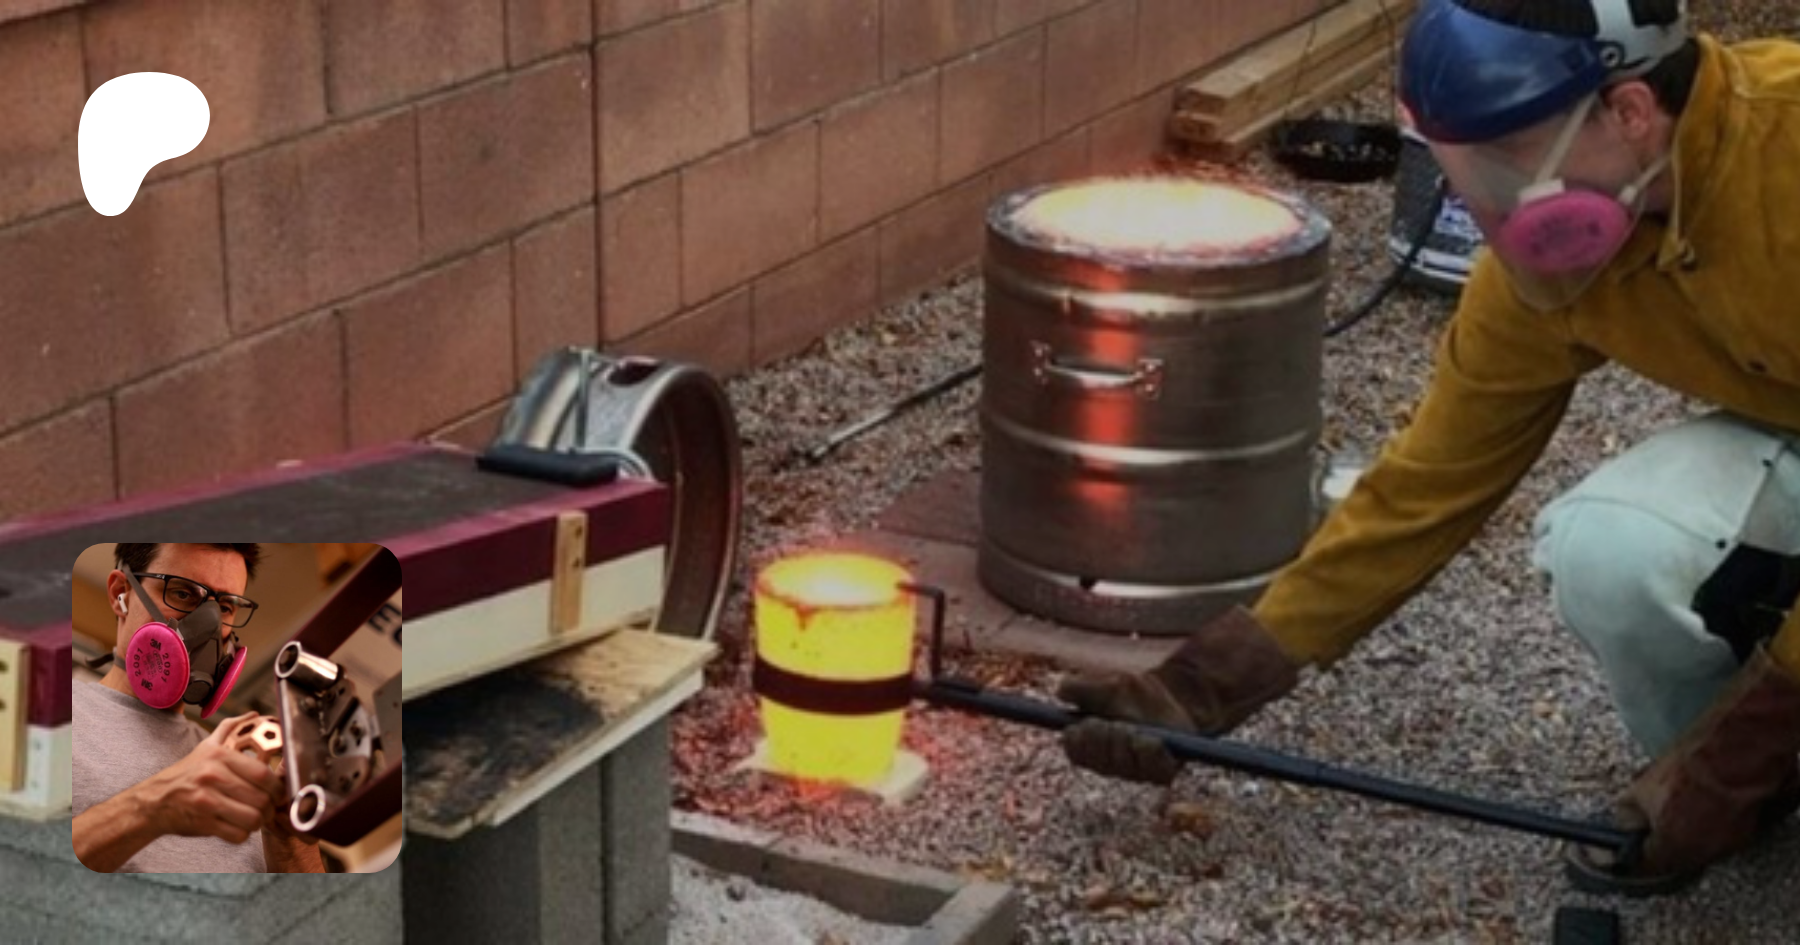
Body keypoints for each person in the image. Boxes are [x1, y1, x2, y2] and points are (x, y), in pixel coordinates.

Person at [1057, 0, 1800, 897]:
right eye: (1465, 167)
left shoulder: (1784, 157)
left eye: (1508, 158)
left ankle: (1739, 759)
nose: (1489, 204)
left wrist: (1747, 745)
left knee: (1751, 738)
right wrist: (1206, 683)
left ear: (1630, 111)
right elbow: (1427, 485)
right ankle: (1728, 788)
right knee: (1613, 546)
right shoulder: (1561, 261)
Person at [72, 543, 325, 873]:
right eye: (183, 593)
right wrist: (156, 806)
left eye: (225, 606)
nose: (209, 622)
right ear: (121, 594)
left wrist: (289, 841)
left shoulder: (242, 767)